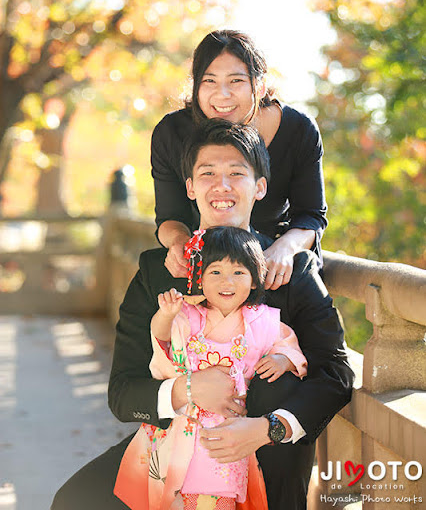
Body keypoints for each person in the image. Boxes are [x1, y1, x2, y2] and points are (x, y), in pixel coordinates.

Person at [51, 120, 353, 510]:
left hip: (265, 454)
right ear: (190, 187)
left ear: (259, 187)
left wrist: (268, 428)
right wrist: (186, 389)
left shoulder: (289, 268)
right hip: (176, 444)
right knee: (76, 500)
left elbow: (336, 372)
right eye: (207, 173)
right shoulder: (157, 272)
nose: (221, 186)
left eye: (236, 174)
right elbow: (123, 393)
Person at [113, 227, 308, 510]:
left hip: (229, 428)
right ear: (199, 279)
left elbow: (289, 347)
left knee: (216, 495)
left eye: (239, 273)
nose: (226, 281)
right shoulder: (188, 316)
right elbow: (163, 340)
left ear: (255, 280)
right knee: (174, 493)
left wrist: (282, 360)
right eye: (215, 272)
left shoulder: (264, 322)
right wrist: (165, 315)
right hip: (185, 422)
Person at [151, 29, 328, 288]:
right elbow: (169, 217)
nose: (222, 94)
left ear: (260, 85)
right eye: (209, 81)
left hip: (274, 269)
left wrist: (285, 248)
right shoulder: (171, 133)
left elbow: (311, 215)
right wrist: (180, 244)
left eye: (235, 81)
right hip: (201, 265)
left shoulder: (298, 130)